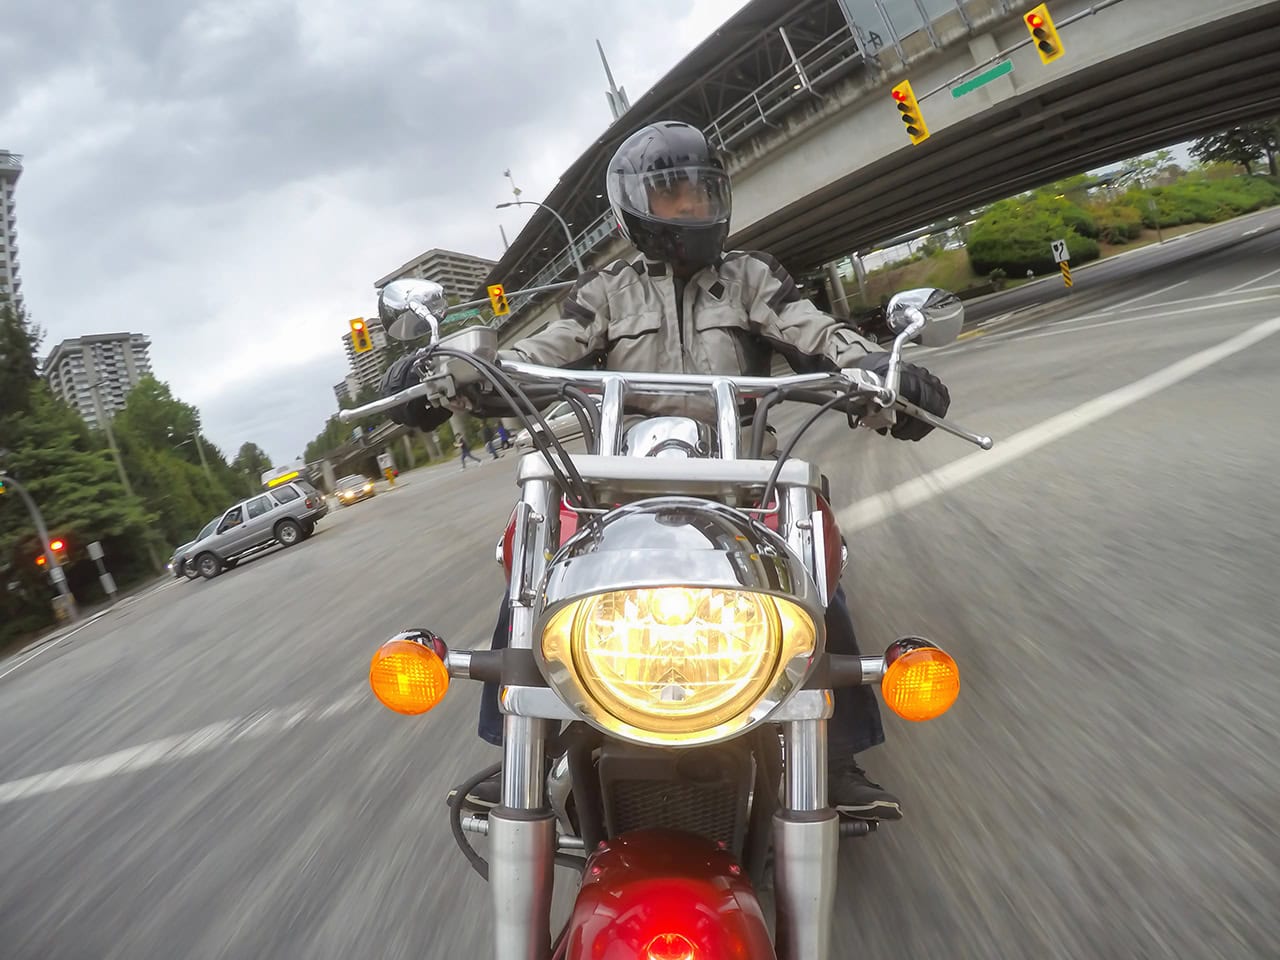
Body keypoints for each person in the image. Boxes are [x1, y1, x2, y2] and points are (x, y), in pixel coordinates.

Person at [380, 120, 952, 820]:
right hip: (620, 495)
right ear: (636, 208)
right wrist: (449, 375)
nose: (691, 210)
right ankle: (516, 751)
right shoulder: (606, 292)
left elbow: (811, 330)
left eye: (700, 194)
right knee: (531, 552)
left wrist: (877, 370)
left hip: (746, 488)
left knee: (814, 565)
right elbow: (540, 353)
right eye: (674, 196)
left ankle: (837, 757)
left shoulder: (751, 276)